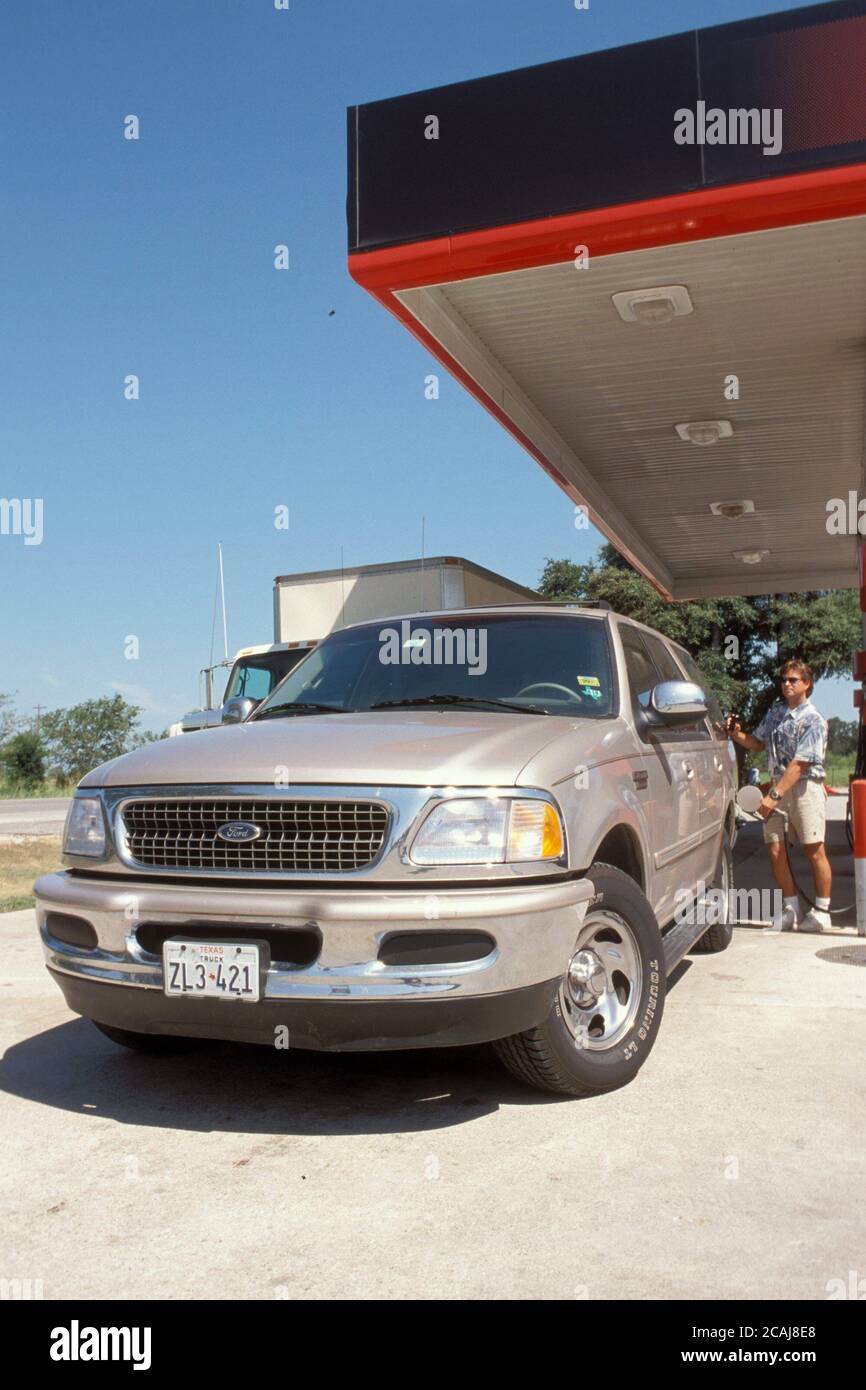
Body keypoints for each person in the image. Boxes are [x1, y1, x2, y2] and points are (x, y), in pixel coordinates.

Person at [726, 659, 831, 932]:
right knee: (775, 850)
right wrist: (736, 734)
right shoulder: (776, 714)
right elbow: (758, 742)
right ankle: (791, 909)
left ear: (806, 684)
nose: (786, 684)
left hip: (804, 788)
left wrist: (773, 795)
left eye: (793, 680)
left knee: (814, 849)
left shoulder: (814, 720)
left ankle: (822, 912)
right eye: (783, 679)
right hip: (778, 787)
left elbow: (800, 764)